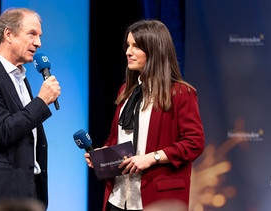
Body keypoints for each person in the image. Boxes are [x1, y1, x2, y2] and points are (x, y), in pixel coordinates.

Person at [84, 19, 205, 211]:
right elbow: (116, 138)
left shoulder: (180, 92)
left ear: (155, 50)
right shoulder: (126, 91)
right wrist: (104, 153)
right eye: (128, 46)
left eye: (136, 46)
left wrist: (151, 158)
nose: (128, 52)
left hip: (155, 198)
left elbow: (194, 142)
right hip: (118, 197)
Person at [0, 8, 61, 211]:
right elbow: (2, 131)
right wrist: (41, 102)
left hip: (27, 190)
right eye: (32, 34)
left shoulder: (20, 77)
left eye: (39, 36)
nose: (38, 43)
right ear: (8, 34)